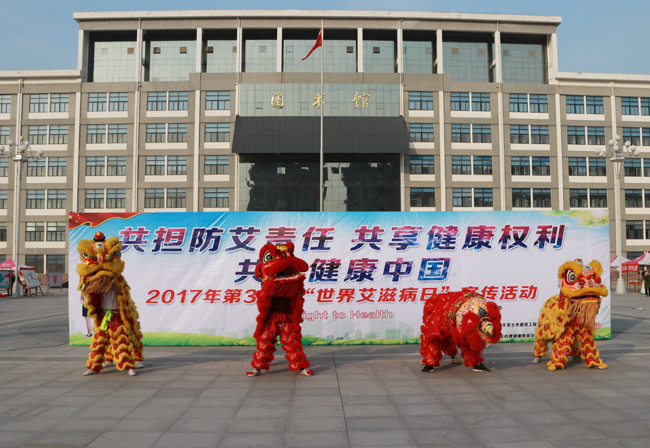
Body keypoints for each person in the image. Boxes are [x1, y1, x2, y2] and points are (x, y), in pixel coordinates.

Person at [77, 231, 144, 377]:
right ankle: (94, 367)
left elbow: (119, 284)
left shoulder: (117, 280)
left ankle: (129, 366)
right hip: (104, 316)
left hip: (118, 316)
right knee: (98, 342)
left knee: (122, 342)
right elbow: (87, 285)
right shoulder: (95, 283)